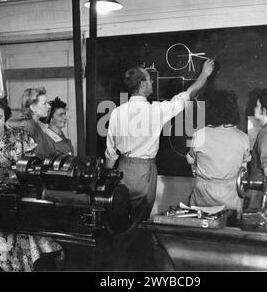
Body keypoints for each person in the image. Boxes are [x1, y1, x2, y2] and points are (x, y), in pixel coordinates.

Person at [105, 59, 215, 229]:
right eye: (149, 79)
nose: (153, 82)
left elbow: (111, 154)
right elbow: (188, 94)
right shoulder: (155, 110)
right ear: (142, 85)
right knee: (137, 221)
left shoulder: (117, 113)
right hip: (144, 170)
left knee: (121, 216)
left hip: (122, 168)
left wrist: (106, 180)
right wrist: (204, 75)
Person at [0, 95, 64, 271]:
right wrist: (14, 181)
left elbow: (33, 164)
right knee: (22, 245)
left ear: (5, 115)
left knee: (50, 244)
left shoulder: (20, 134)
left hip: (25, 199)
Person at [186, 90, 251, 218]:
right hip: (231, 197)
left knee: (199, 233)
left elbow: (191, 160)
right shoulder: (243, 137)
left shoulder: (198, 135)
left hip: (203, 197)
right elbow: (244, 167)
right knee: (229, 230)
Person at [9, 87, 56, 159]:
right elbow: (21, 160)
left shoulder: (36, 125)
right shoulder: (27, 127)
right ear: (33, 108)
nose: (49, 106)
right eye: (44, 103)